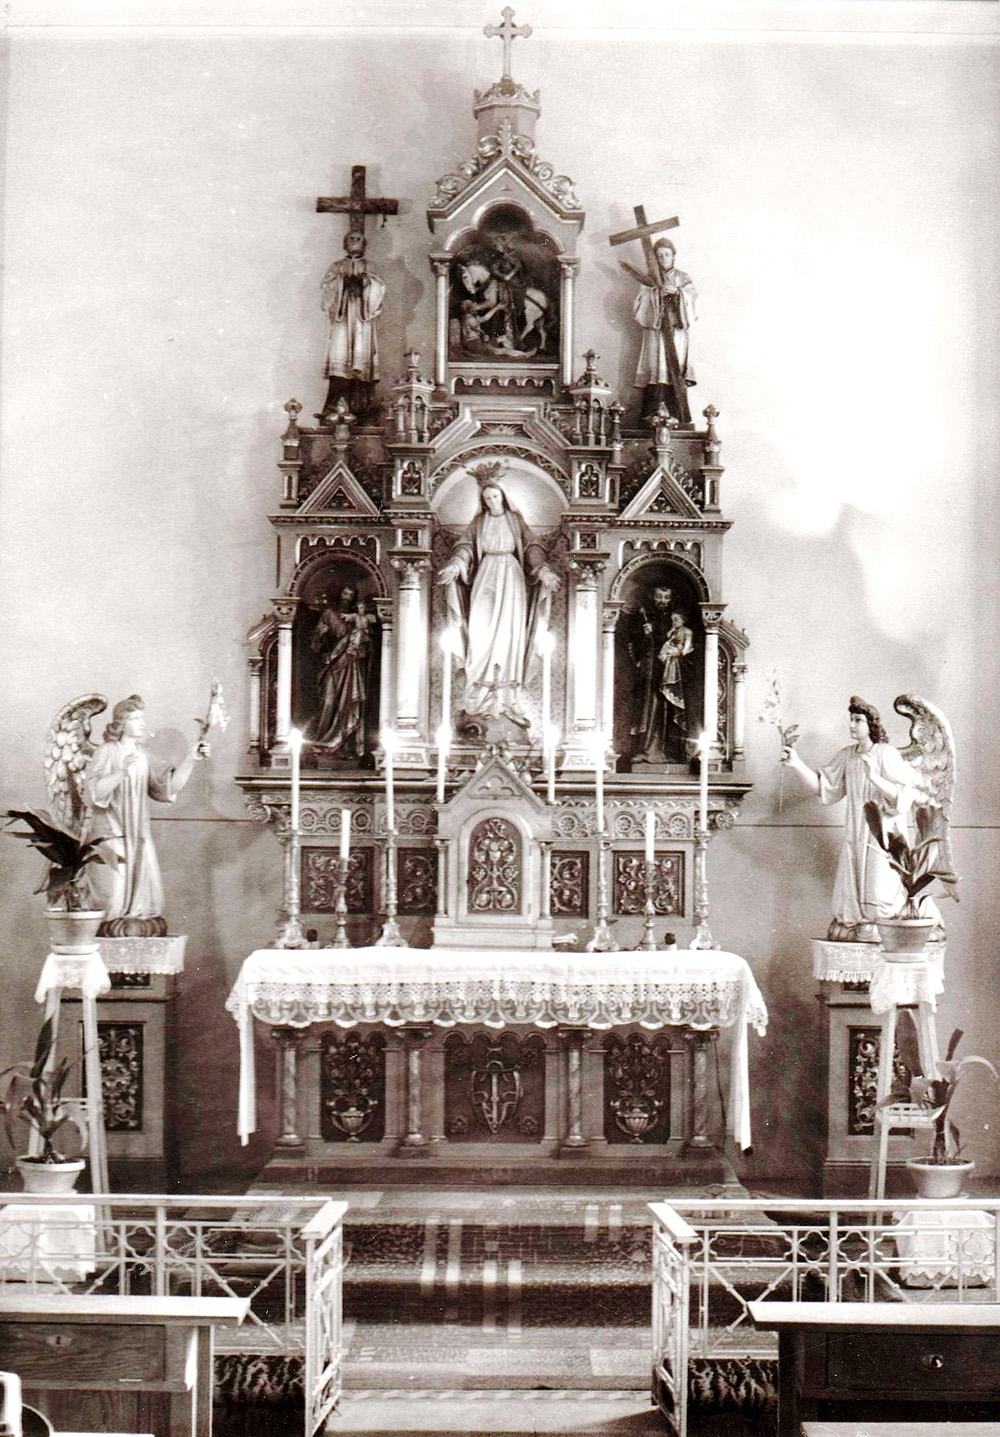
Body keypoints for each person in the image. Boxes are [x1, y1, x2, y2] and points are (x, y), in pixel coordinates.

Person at [782, 696, 915, 942]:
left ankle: (879, 924)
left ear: (871, 724)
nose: (852, 725)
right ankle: (858, 923)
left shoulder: (886, 753)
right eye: (851, 720)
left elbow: (903, 797)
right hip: (856, 830)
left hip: (882, 833)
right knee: (855, 884)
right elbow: (824, 788)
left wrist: (875, 777)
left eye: (858, 720)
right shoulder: (847, 756)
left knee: (879, 885)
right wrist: (797, 764)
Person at [438, 480, 559, 724]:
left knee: (509, 633)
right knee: (480, 632)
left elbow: (532, 547)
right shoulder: (479, 522)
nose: (492, 501)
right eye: (488, 498)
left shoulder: (515, 521)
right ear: (483, 501)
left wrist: (543, 570)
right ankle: (478, 695)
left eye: (495, 496)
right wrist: (456, 565)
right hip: (486, 576)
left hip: (512, 579)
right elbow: (465, 547)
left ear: (503, 496)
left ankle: (508, 697)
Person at [83, 695, 202, 937]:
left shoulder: (144, 754)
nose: (142, 723)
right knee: (112, 899)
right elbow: (93, 793)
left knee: (148, 904)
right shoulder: (107, 751)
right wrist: (120, 772)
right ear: (121, 722)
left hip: (138, 835)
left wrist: (191, 757)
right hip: (111, 833)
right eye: (136, 718)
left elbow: (165, 789)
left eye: (142, 718)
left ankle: (130, 923)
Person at [320, 230, 386, 423]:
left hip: (362, 321)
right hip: (342, 318)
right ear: (345, 243)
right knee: (340, 358)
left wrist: (365, 283)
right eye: (351, 239)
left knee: (361, 358)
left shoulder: (370, 267)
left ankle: (363, 407)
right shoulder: (336, 267)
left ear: (364, 244)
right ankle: (335, 405)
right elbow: (326, 290)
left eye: (359, 239)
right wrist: (342, 282)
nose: (355, 241)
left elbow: (379, 289)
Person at [633, 236, 697, 421]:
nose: (663, 259)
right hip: (657, 331)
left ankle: (677, 413)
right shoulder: (649, 278)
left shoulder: (683, 277)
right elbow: (640, 304)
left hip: (676, 332)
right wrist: (656, 294)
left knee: (674, 367)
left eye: (667, 254)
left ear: (673, 256)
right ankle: (652, 412)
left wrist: (678, 293)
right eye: (659, 255)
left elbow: (693, 301)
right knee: (656, 366)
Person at [630, 587, 695, 764]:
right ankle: (646, 750)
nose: (662, 601)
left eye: (666, 597)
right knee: (648, 710)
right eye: (659, 596)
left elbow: (684, 646)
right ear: (652, 596)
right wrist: (644, 634)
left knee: (668, 709)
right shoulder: (644, 617)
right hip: (650, 673)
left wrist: (675, 652)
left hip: (669, 673)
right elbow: (635, 646)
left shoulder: (674, 620)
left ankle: (671, 753)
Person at [310, 587, 377, 757]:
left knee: (347, 705)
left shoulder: (357, 619)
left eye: (351, 595)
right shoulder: (328, 613)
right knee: (328, 702)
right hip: (332, 663)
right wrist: (321, 634)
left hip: (349, 665)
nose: (347, 597)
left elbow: (366, 642)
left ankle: (343, 746)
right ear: (339, 593)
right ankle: (323, 741)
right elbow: (315, 644)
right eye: (345, 593)